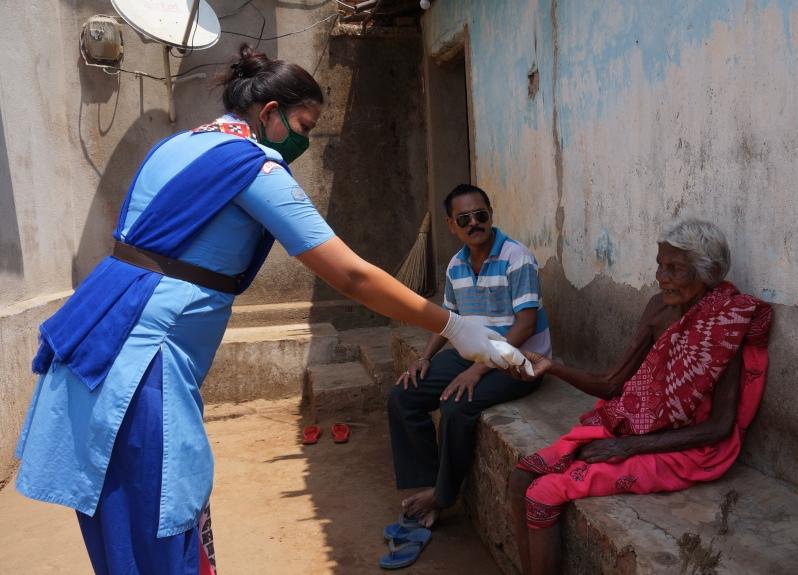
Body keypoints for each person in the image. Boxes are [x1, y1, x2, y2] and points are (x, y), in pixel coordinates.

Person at [13, 45, 522, 575]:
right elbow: (349, 273)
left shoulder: (176, 147)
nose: (304, 139)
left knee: (122, 531)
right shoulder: (252, 168)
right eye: (303, 124)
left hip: (98, 333)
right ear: (270, 113)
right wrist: (454, 324)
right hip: (141, 365)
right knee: (163, 531)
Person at [507, 219, 773, 575]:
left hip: (687, 449)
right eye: (660, 264)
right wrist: (550, 367)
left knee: (543, 493)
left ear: (706, 273)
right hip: (634, 423)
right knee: (522, 476)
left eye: (674, 269)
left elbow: (720, 427)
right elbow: (612, 384)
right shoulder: (658, 309)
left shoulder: (724, 324)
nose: (662, 276)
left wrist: (627, 448)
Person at [389, 184, 551, 529]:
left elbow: (524, 326)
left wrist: (477, 371)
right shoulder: (456, 266)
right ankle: (431, 482)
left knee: (457, 406)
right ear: (451, 225)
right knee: (404, 395)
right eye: (464, 219)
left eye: (481, 215)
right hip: (475, 353)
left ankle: (442, 497)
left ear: (491, 216)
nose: (474, 223)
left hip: (519, 361)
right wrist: (425, 357)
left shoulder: (516, 257)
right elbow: (447, 319)